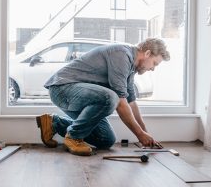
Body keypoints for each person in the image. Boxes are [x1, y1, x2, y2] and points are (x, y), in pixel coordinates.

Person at [35, 38, 170, 156]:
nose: (153, 69)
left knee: (106, 140)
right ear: (147, 53)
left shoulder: (131, 67)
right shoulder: (121, 55)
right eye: (154, 63)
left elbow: (131, 103)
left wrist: (146, 135)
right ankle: (73, 137)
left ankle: (54, 123)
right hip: (62, 89)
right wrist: (139, 134)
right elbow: (121, 102)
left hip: (77, 96)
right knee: (111, 98)